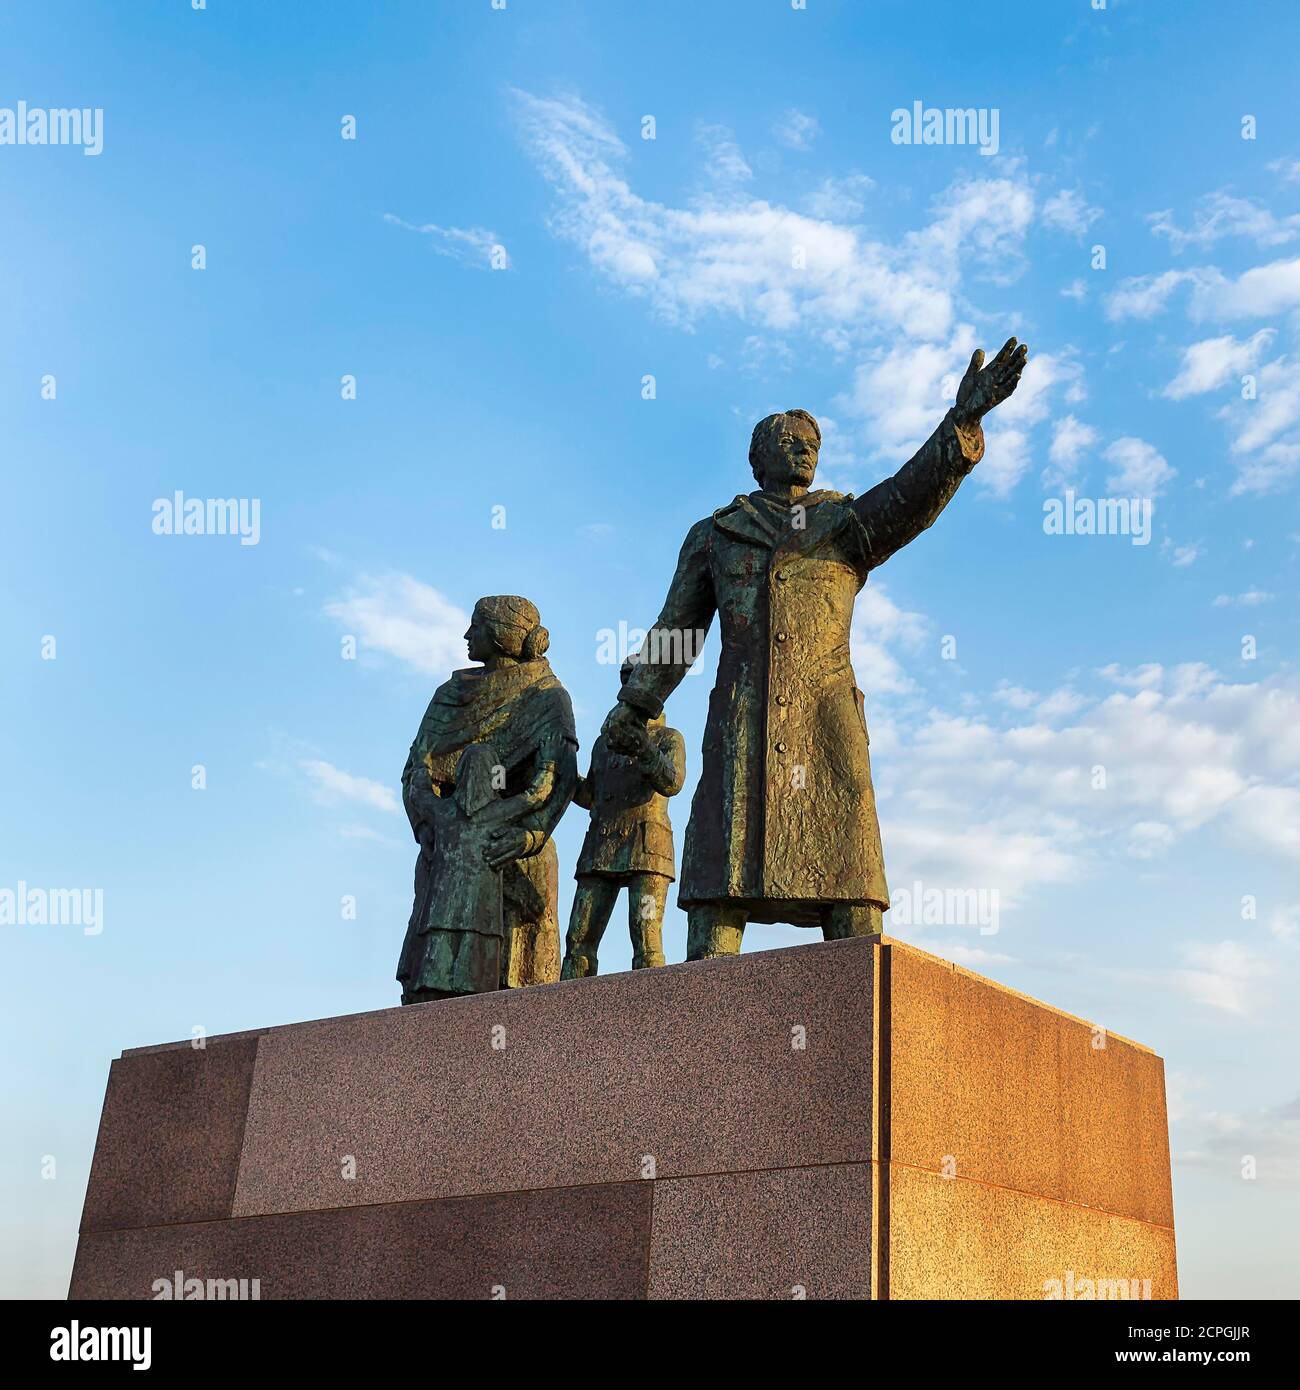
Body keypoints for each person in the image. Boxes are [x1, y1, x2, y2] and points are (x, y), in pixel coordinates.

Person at [600, 339, 1029, 960]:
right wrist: (636, 702)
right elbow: (679, 629)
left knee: (849, 884)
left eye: (812, 443)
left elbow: (909, 496)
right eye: (788, 439)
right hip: (742, 721)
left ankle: (863, 994)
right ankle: (701, 1015)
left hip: (825, 721)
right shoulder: (717, 533)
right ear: (757, 456)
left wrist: (960, 423)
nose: (804, 449)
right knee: (720, 891)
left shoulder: (842, 521)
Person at [398, 595, 577, 1001]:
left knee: (515, 991)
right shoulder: (450, 694)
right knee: (432, 989)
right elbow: (416, 767)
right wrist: (428, 824)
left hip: (515, 849)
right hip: (447, 849)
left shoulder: (547, 698)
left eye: (475, 625)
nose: (466, 634)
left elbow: (559, 778)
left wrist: (530, 836)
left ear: (500, 635)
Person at [561, 660, 686, 978]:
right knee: (578, 940)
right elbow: (591, 796)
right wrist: (562, 773)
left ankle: (652, 1017)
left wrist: (644, 749)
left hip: (647, 848)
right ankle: (565, 1016)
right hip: (601, 846)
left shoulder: (668, 738)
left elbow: (672, 783)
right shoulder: (604, 743)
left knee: (645, 937)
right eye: (626, 682)